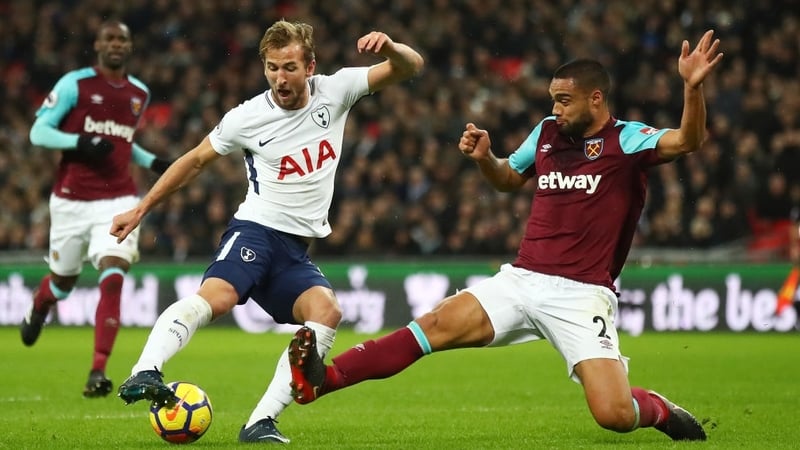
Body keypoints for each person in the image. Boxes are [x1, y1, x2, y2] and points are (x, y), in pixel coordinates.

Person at [288, 30, 723, 442]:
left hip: (582, 293)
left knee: (614, 415)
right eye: (553, 99)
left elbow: (688, 141)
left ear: (596, 98)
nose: (556, 109)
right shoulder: (547, 134)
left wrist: (692, 89)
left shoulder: (626, 140)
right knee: (433, 325)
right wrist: (484, 158)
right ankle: (324, 379)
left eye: (565, 101)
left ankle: (659, 409)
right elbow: (508, 178)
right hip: (523, 279)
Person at [109, 20, 423, 443]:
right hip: (256, 231)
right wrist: (142, 208)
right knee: (217, 297)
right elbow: (195, 159)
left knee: (326, 312)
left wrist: (391, 48)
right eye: (272, 67)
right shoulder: (247, 117)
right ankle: (145, 370)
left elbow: (410, 67)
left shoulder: (338, 89)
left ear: (310, 66)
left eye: (290, 67)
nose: (280, 77)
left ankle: (260, 422)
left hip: (294, 250)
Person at [20, 20, 171, 398]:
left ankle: (98, 371)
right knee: (62, 282)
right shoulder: (75, 84)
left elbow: (123, 142)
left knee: (114, 270)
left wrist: (153, 162)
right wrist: (81, 142)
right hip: (72, 200)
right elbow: (39, 132)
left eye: (123, 38)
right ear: (97, 44)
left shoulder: (139, 92)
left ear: (130, 46)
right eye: (110, 39)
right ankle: (40, 306)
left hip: (119, 199)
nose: (116, 44)